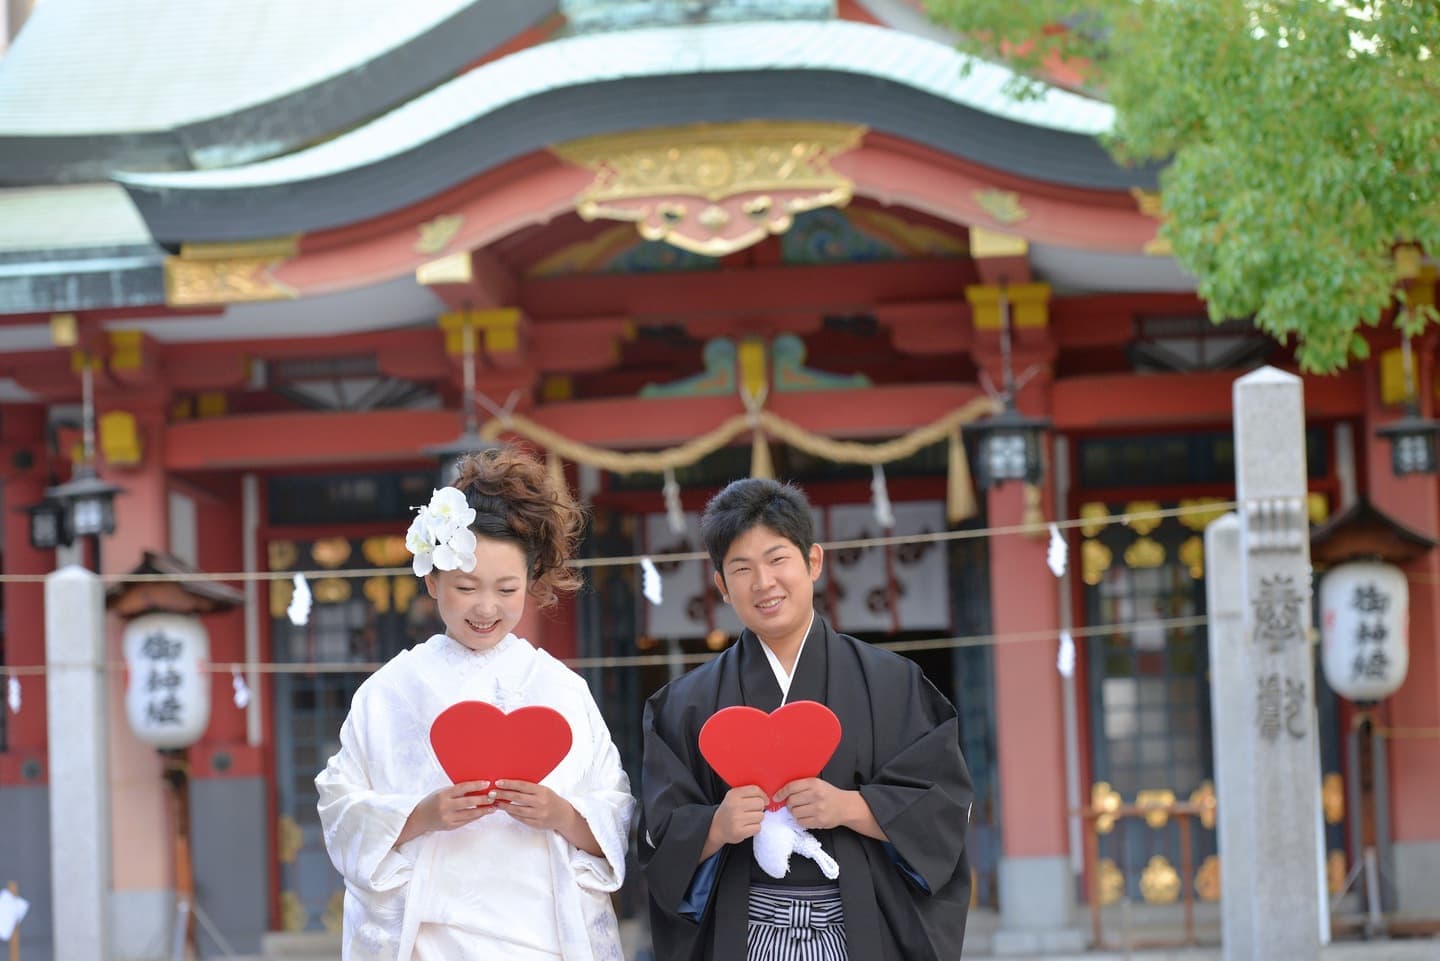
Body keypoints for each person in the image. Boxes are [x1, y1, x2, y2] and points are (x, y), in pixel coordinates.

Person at [316, 447, 634, 961]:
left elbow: (616, 811)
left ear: (529, 584)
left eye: (506, 588)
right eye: (466, 587)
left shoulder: (562, 688)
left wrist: (562, 814)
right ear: (433, 580)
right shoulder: (390, 691)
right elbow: (339, 805)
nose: (486, 607)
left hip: (544, 937)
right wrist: (420, 815)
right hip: (430, 940)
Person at [639, 478, 973, 961]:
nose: (764, 583)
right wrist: (718, 825)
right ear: (722, 587)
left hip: (860, 929)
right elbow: (657, 837)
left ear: (813, 561)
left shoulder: (893, 684)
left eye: (777, 559)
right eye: (742, 568)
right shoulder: (685, 704)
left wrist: (849, 807)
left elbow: (943, 809)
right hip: (747, 931)